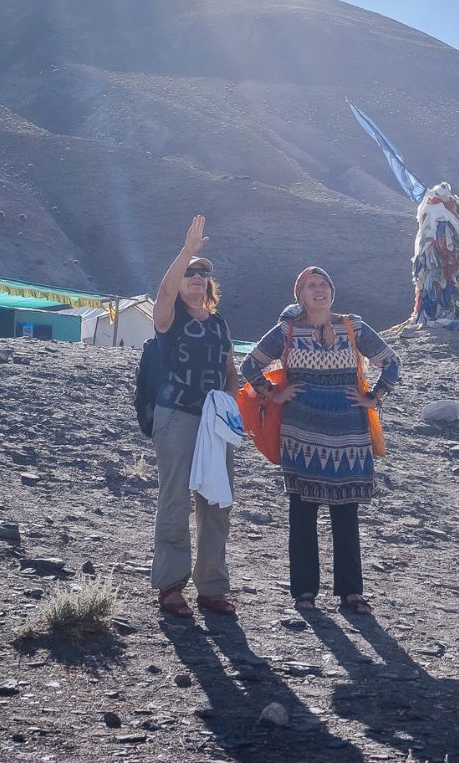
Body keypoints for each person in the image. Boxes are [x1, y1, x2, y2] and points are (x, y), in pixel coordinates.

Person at [239, 267, 400, 614]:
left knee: (346, 513)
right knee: (302, 512)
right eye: (311, 285)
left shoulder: (353, 326)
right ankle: (304, 593)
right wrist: (273, 395)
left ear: (332, 291)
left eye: (324, 284)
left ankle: (351, 593)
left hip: (349, 434)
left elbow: (391, 361)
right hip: (300, 435)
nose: (319, 290)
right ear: (300, 295)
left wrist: (376, 397)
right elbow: (250, 364)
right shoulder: (288, 329)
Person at [150, 215, 240, 618]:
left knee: (216, 500)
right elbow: (164, 292)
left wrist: (232, 406)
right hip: (177, 416)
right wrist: (186, 252)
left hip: (214, 422)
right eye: (190, 274)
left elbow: (229, 371)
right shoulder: (171, 318)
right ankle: (171, 585)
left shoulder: (219, 324)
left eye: (202, 274)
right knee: (176, 499)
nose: (196, 278)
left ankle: (212, 587)